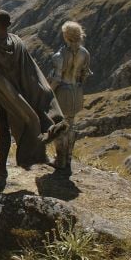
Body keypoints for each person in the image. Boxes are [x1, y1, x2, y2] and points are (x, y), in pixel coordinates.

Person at [0, 10, 67, 189]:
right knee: (4, 132)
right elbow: (30, 72)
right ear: (8, 25)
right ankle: (1, 170)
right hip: (11, 99)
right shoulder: (18, 44)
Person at [49, 21, 92, 177]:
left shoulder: (59, 56)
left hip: (63, 93)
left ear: (65, 36)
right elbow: (85, 75)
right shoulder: (85, 53)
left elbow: (56, 79)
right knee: (71, 124)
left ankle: (59, 160)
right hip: (76, 92)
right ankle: (68, 159)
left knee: (59, 125)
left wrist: (47, 94)